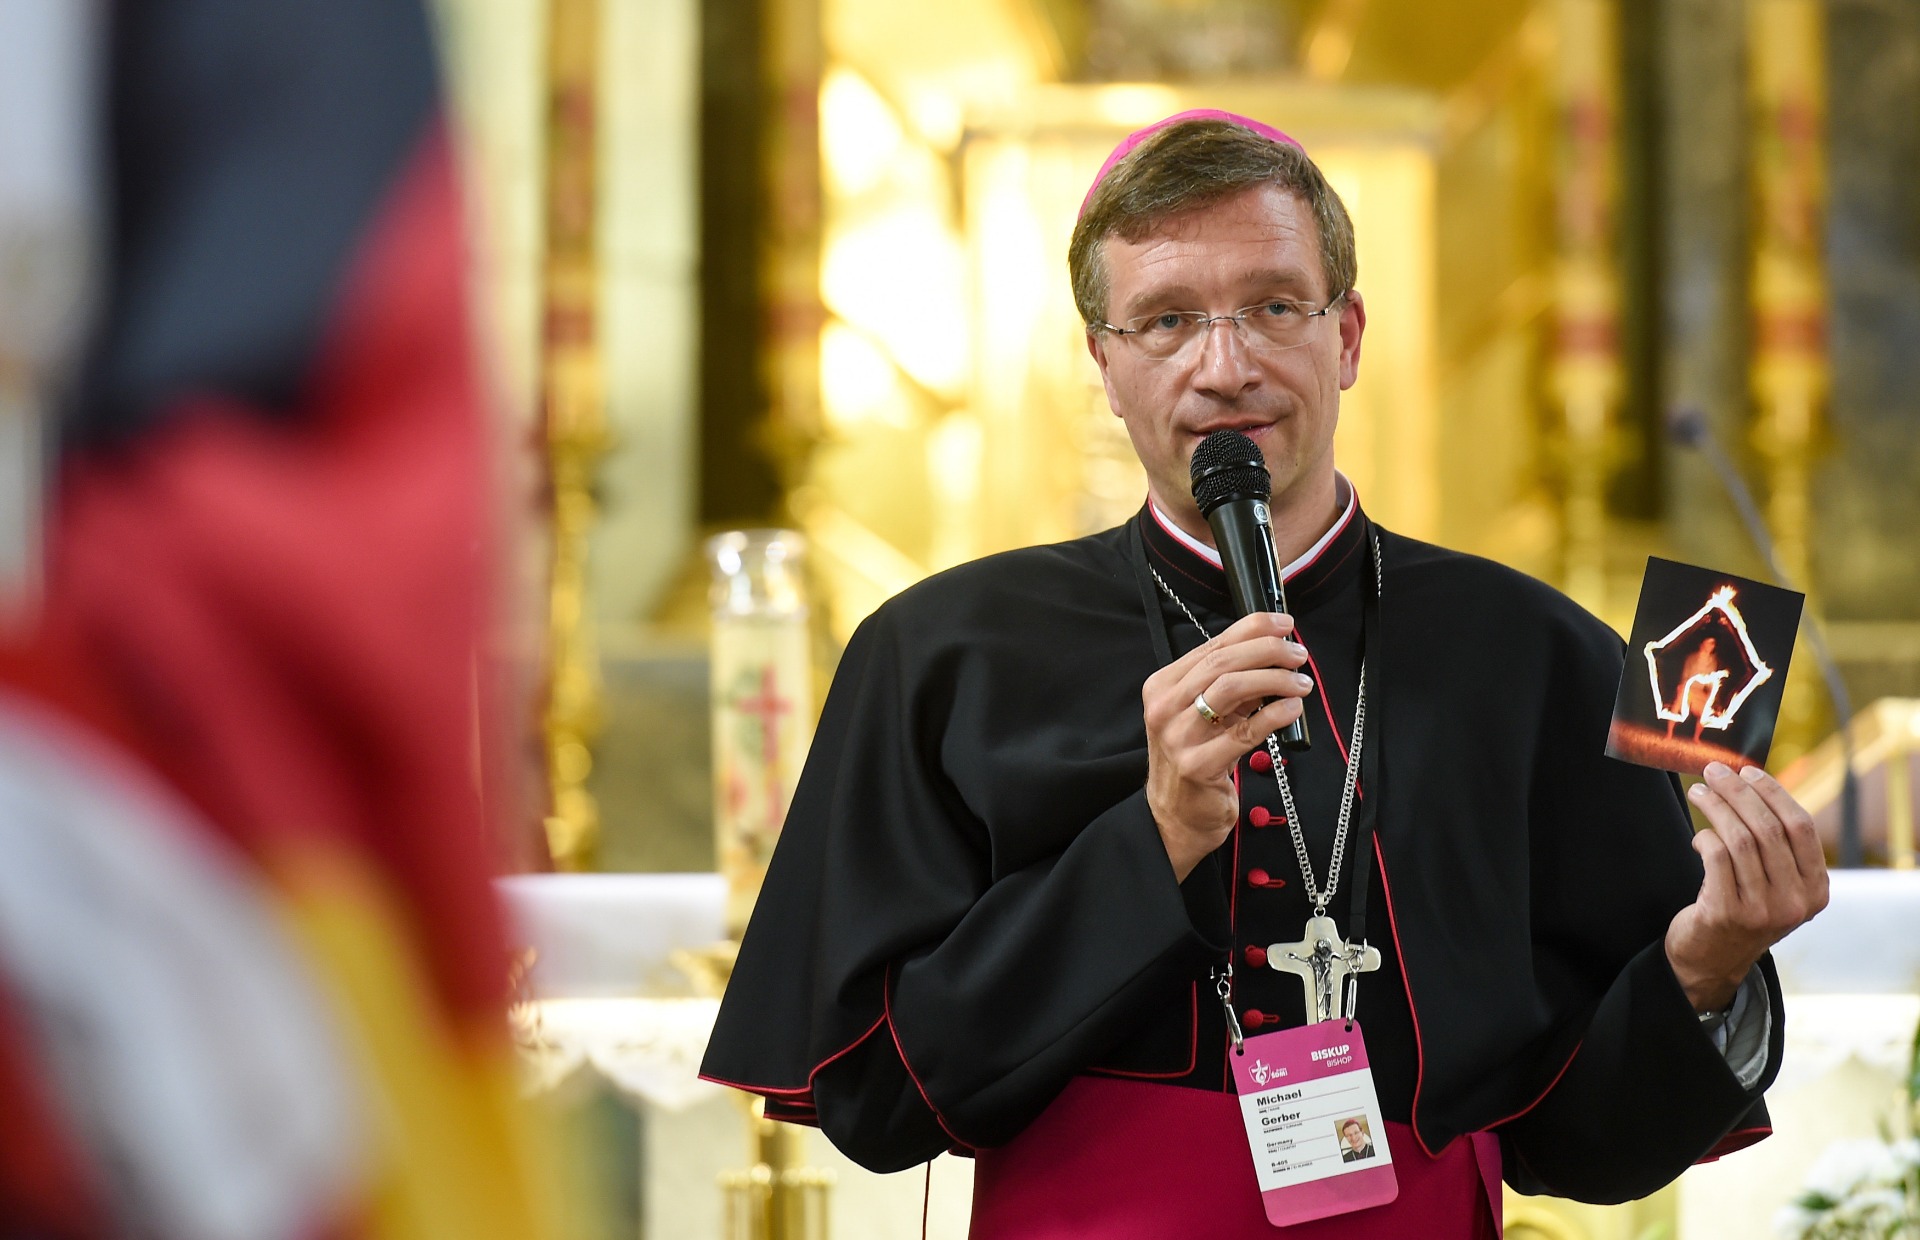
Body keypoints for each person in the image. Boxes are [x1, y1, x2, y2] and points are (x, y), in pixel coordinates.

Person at [701, 111, 1827, 1237]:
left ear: (1348, 336)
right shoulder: (939, 654)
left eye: (1275, 307)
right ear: (1105, 365)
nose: (1225, 366)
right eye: (1166, 320)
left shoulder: (1540, 652)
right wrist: (1151, 841)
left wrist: (1705, 967)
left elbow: (1581, 1141)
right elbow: (878, 1101)